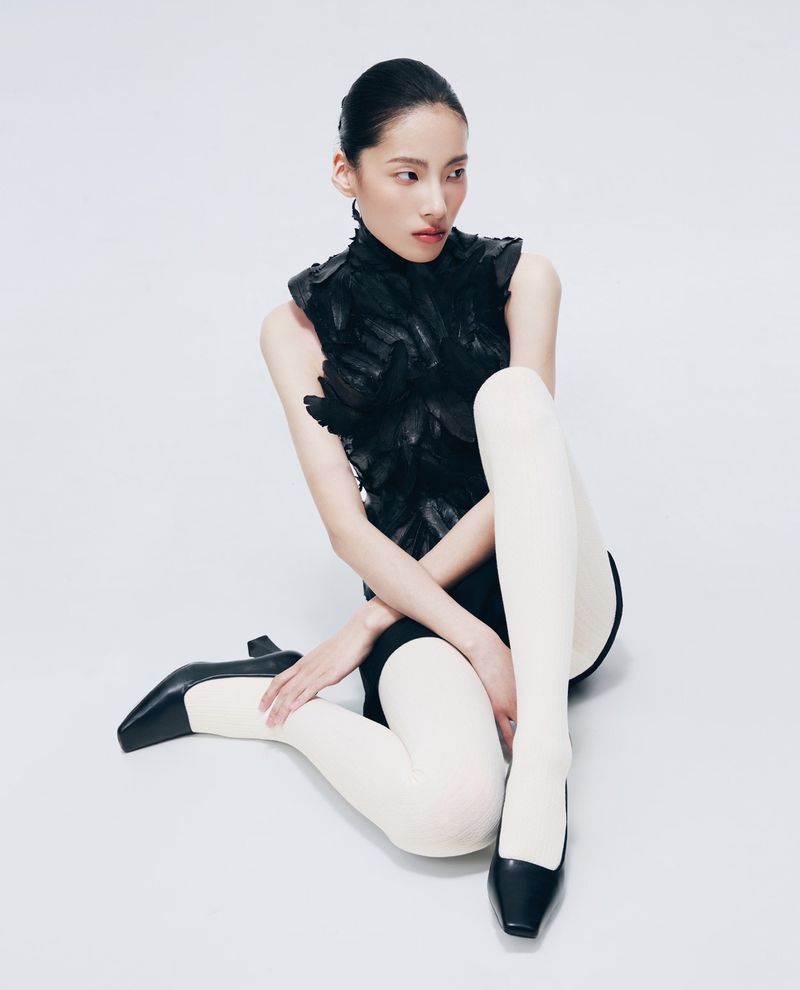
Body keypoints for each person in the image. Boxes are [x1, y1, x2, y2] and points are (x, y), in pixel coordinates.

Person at [116, 58, 623, 940]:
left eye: (455, 172)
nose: (438, 202)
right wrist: (464, 636)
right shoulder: (294, 330)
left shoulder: (524, 280)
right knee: (451, 816)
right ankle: (262, 709)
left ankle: (545, 764)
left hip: (557, 593)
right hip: (420, 608)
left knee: (516, 401)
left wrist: (361, 626)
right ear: (345, 173)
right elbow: (347, 530)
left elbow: (528, 482)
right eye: (408, 174)